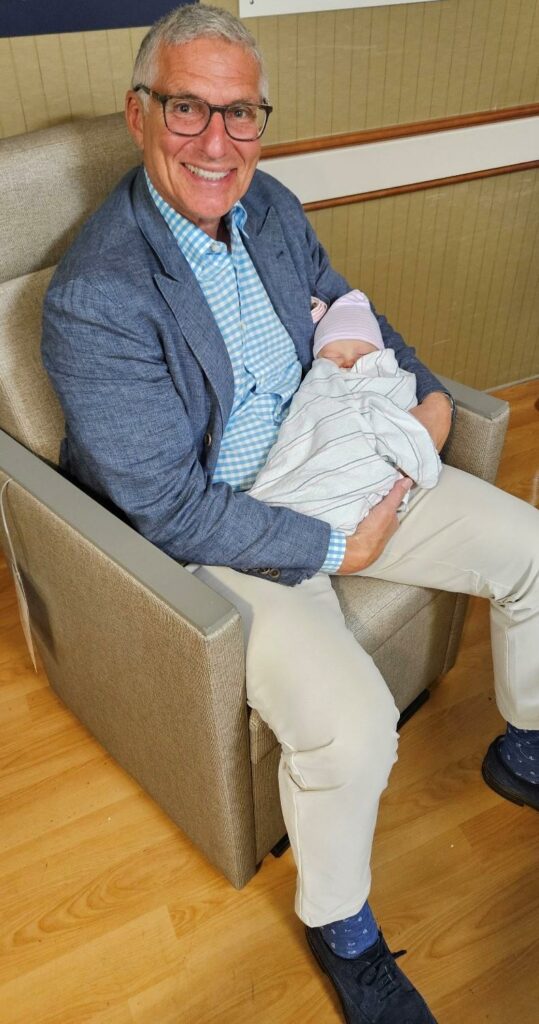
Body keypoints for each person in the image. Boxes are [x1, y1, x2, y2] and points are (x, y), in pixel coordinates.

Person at [41, 5, 539, 1023]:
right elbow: (169, 506)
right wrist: (330, 544)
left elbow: (345, 306)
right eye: (187, 111)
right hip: (227, 530)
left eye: (241, 115)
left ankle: (522, 743)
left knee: (531, 547)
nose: (217, 144)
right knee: (350, 726)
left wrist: (428, 392)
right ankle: (340, 926)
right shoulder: (98, 294)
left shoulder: (268, 206)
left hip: (335, 456)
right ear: (138, 116)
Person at [249, 289, 442, 531]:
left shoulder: (393, 380)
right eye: (332, 356)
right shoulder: (318, 383)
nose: (349, 362)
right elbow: (308, 422)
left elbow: (400, 414)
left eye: (363, 354)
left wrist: (438, 403)